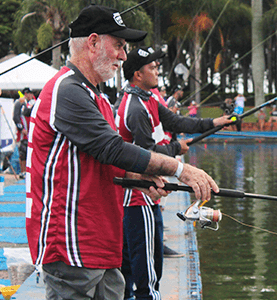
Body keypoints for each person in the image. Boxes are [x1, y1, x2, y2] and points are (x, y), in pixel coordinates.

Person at [25, 6, 220, 300]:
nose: (124, 56)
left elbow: (99, 161)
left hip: (102, 241)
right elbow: (113, 148)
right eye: (119, 46)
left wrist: (141, 176)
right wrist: (182, 169)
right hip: (71, 244)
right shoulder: (67, 90)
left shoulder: (97, 96)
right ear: (92, 43)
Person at [117, 46, 232, 300]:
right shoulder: (135, 108)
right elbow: (145, 155)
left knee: (140, 269)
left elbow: (177, 122)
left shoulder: (148, 99)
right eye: (152, 67)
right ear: (137, 74)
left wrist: (214, 124)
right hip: (137, 200)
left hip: (148, 198)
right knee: (147, 277)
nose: (157, 70)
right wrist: (175, 148)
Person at [12, 87, 35, 179]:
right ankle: (23, 171)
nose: (31, 95)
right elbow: (16, 117)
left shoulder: (29, 104)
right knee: (23, 151)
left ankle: (28, 171)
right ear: (25, 94)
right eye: (29, 94)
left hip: (29, 133)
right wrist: (21, 129)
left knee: (29, 151)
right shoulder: (19, 103)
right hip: (23, 133)